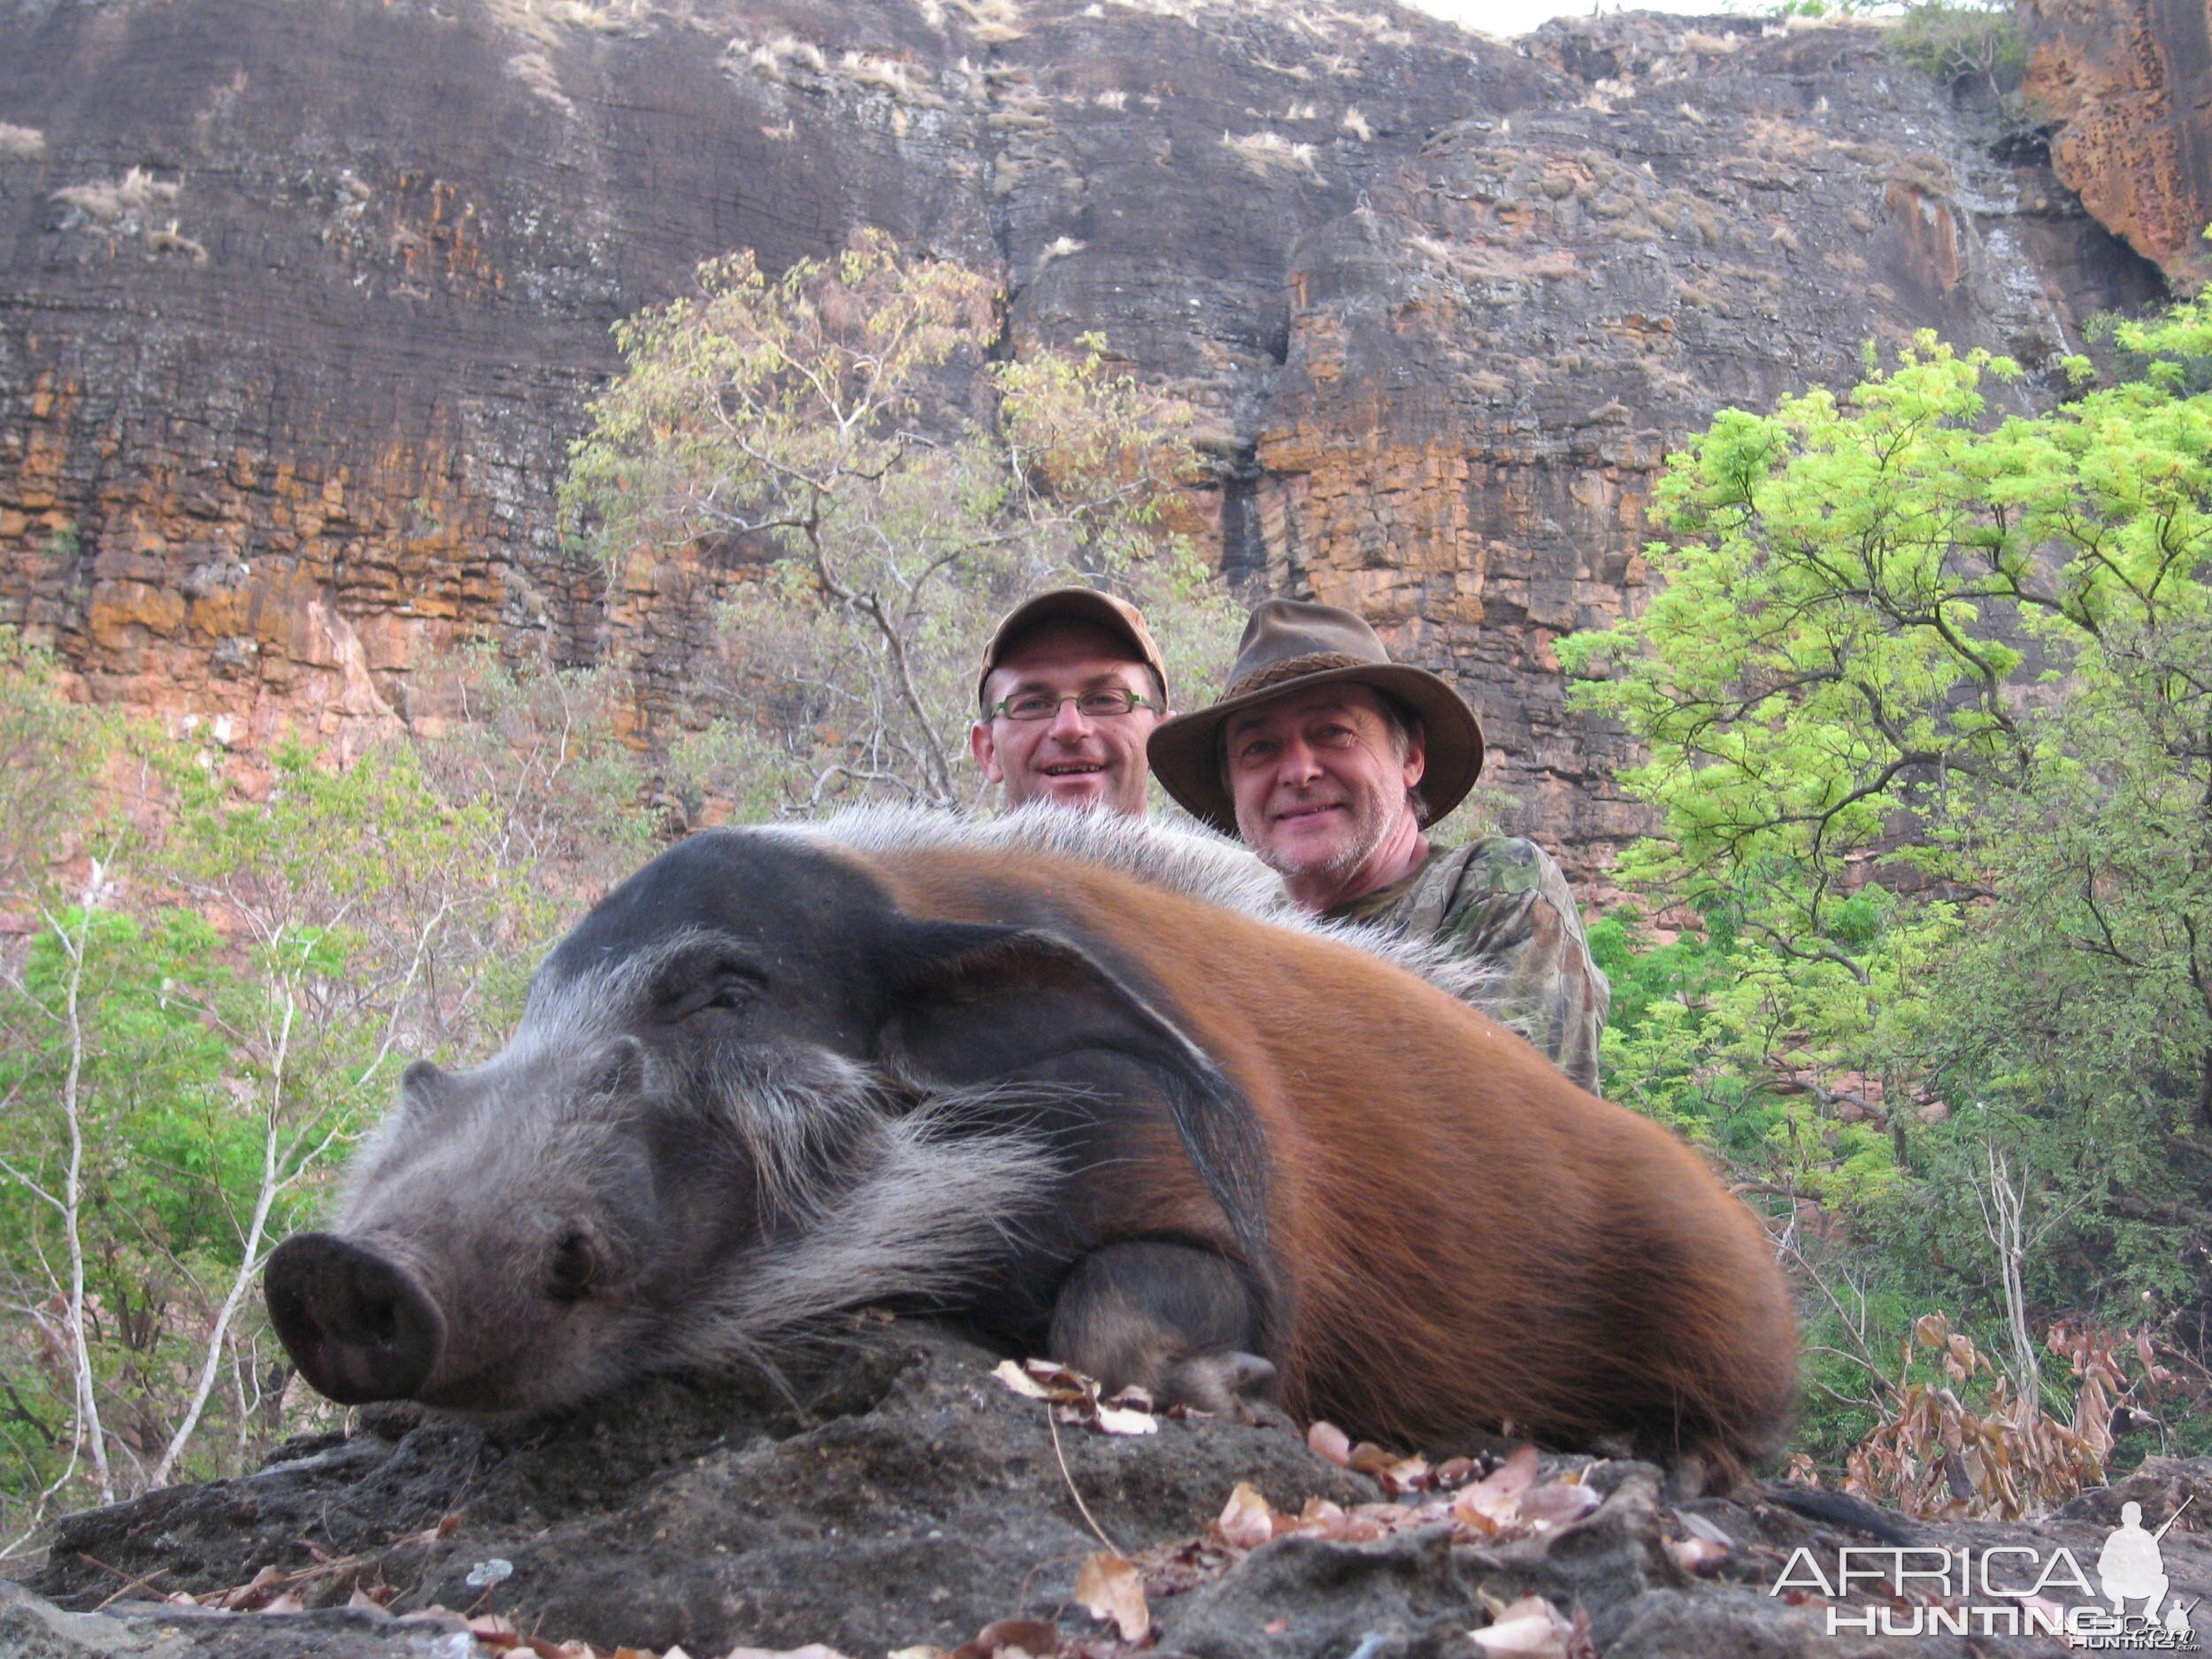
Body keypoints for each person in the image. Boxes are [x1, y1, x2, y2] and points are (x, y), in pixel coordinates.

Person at [1147, 597, 1611, 1094]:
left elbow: (1512, 1128)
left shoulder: (1497, 887)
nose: (1299, 770)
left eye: (1333, 732)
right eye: (1259, 748)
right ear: (1233, 787)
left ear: (1410, 757)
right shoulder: (1227, 941)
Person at [971, 588, 1171, 818]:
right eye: (1032, 705)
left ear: (1160, 744)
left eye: (1105, 700)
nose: (1069, 728)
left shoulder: (1215, 855)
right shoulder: (931, 855)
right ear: (988, 751)